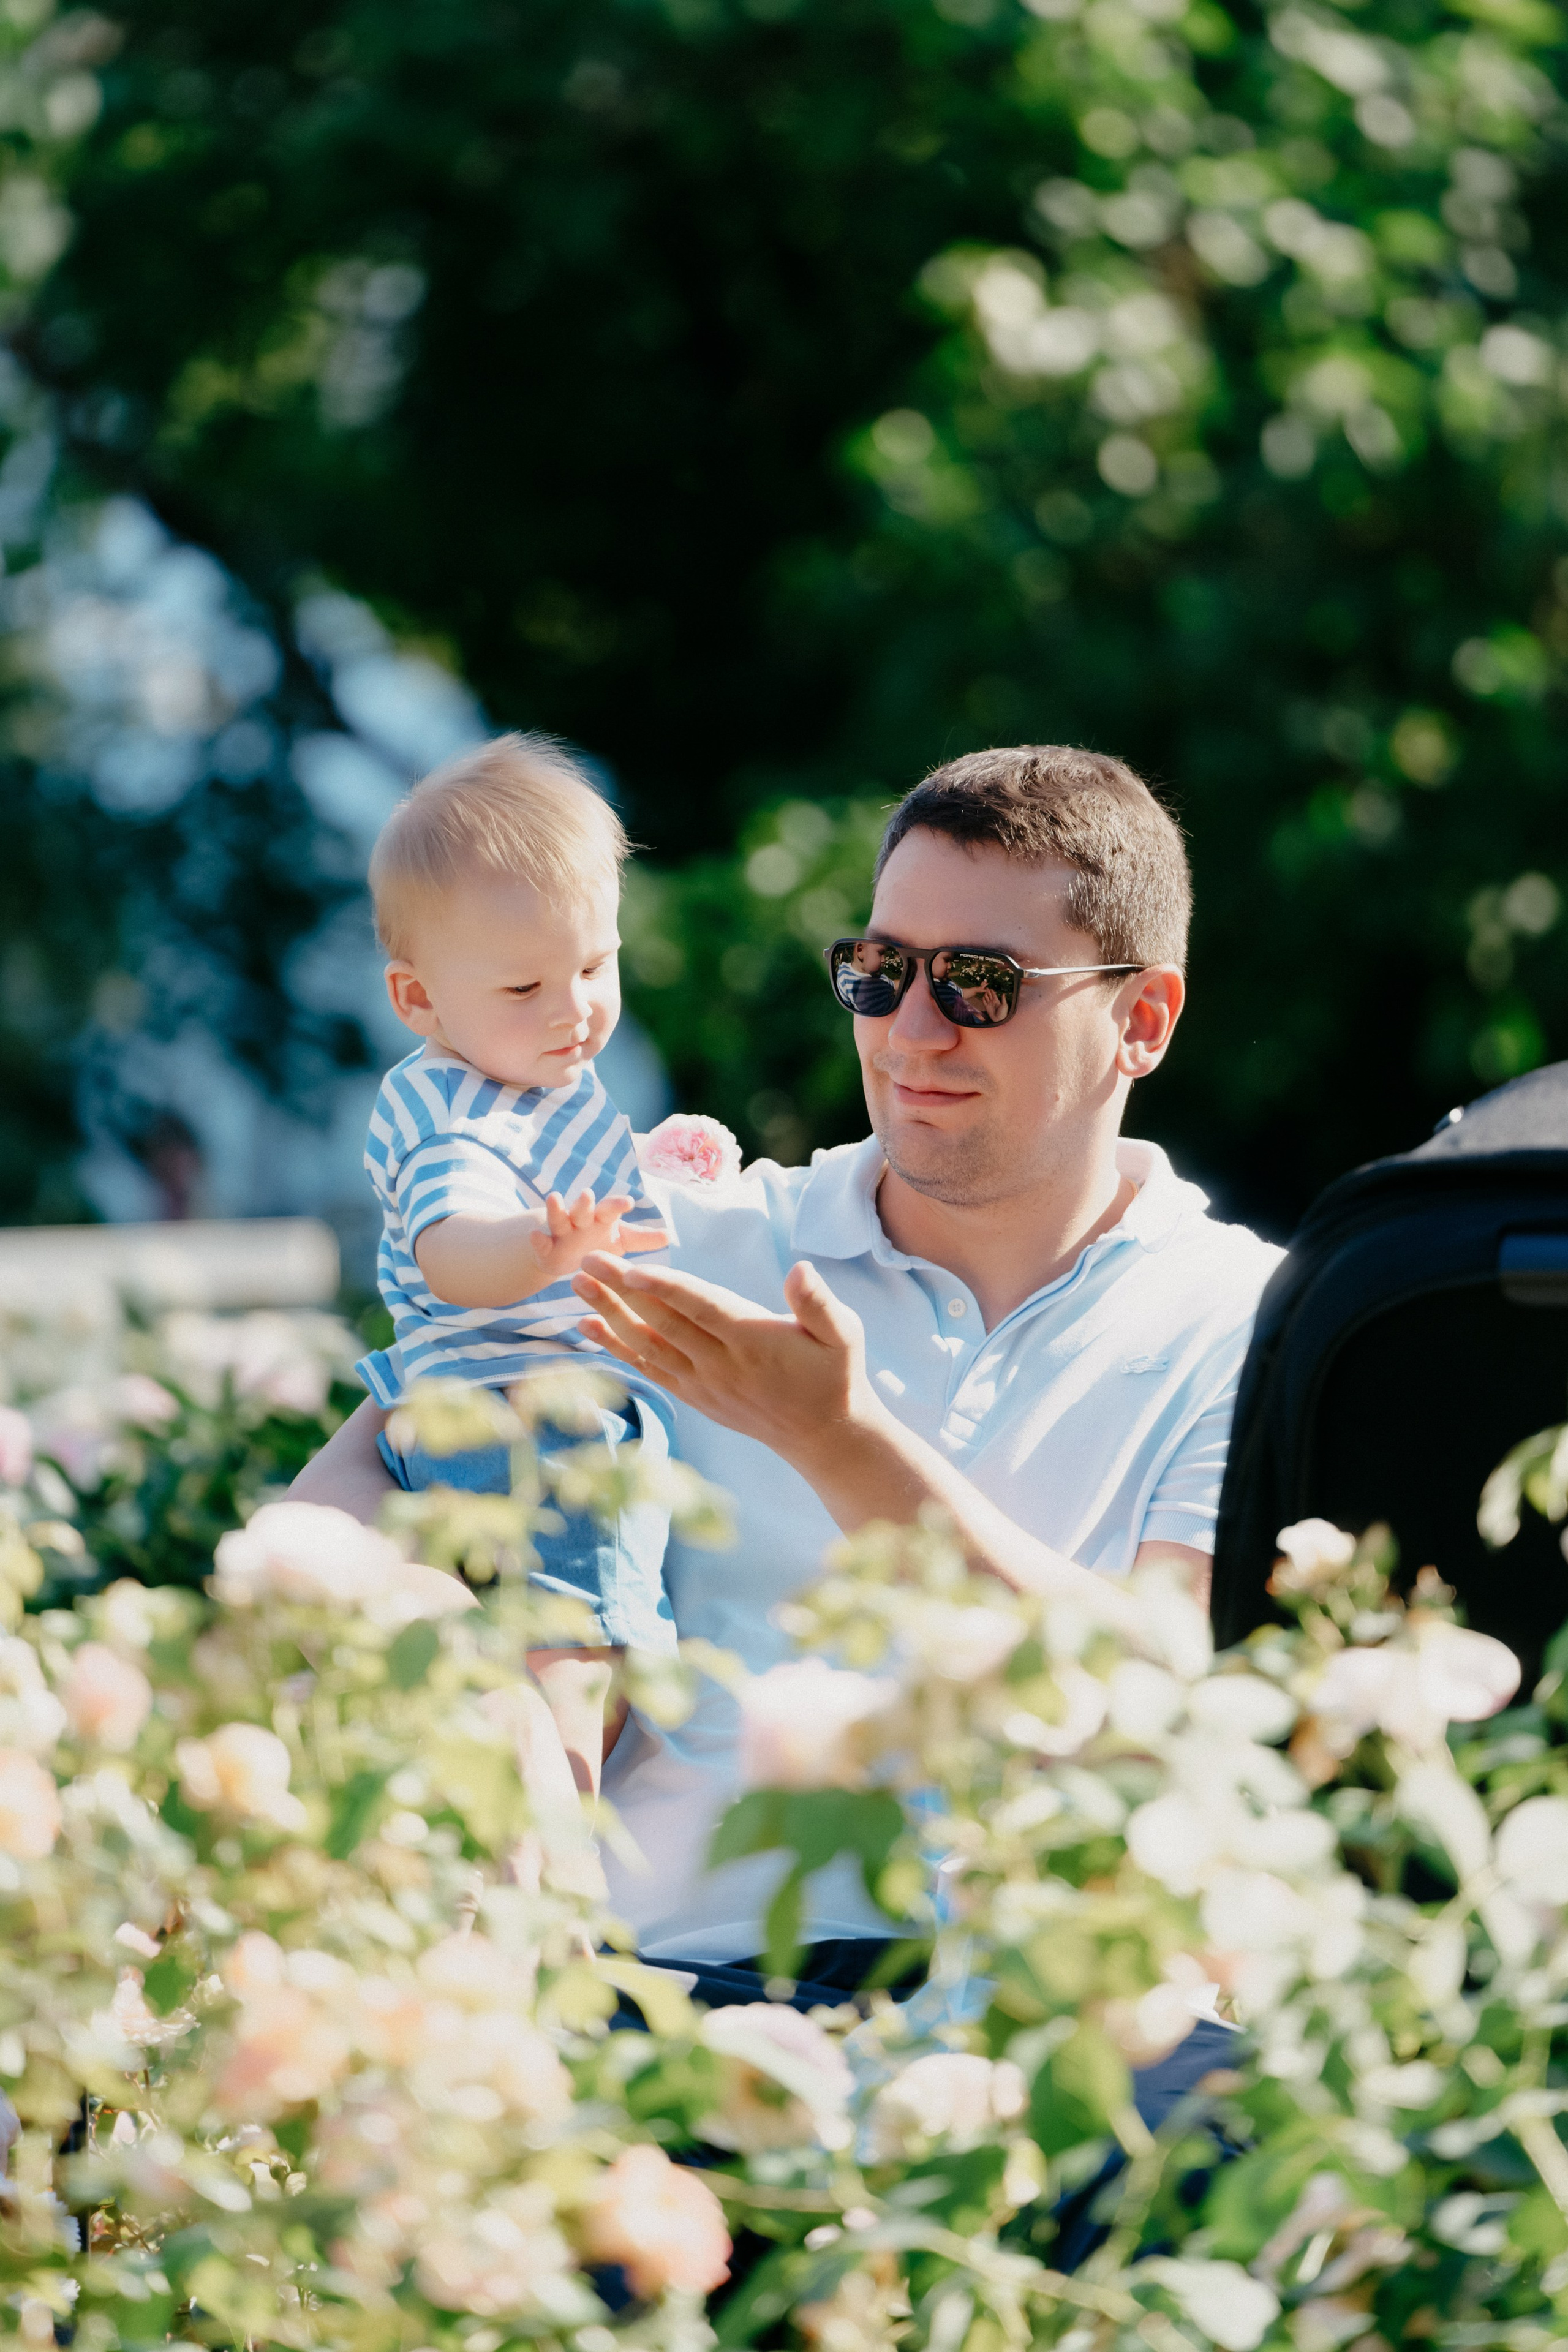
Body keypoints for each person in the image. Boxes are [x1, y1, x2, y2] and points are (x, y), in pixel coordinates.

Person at [295, 743, 1283, 2005]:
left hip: (1039, 2039)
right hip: (654, 2008)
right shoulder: (680, 1232)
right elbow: (356, 1484)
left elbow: (1159, 1695)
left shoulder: (1245, 1321)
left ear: (1138, 1019)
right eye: (878, 973)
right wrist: (449, 1663)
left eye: (978, 984)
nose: (911, 1028)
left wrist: (837, 1440)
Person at [355, 733, 680, 1785]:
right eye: (526, 986)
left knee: (583, 1650)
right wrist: (545, 1245)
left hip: (516, 1412)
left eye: (595, 966)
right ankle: (563, 1861)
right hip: (516, 1421)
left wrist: (660, 1166)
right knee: (566, 1658)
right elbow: (454, 1254)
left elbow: (592, 1180)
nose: (573, 1008)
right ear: (420, 1002)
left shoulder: (529, 1077)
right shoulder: (455, 1114)